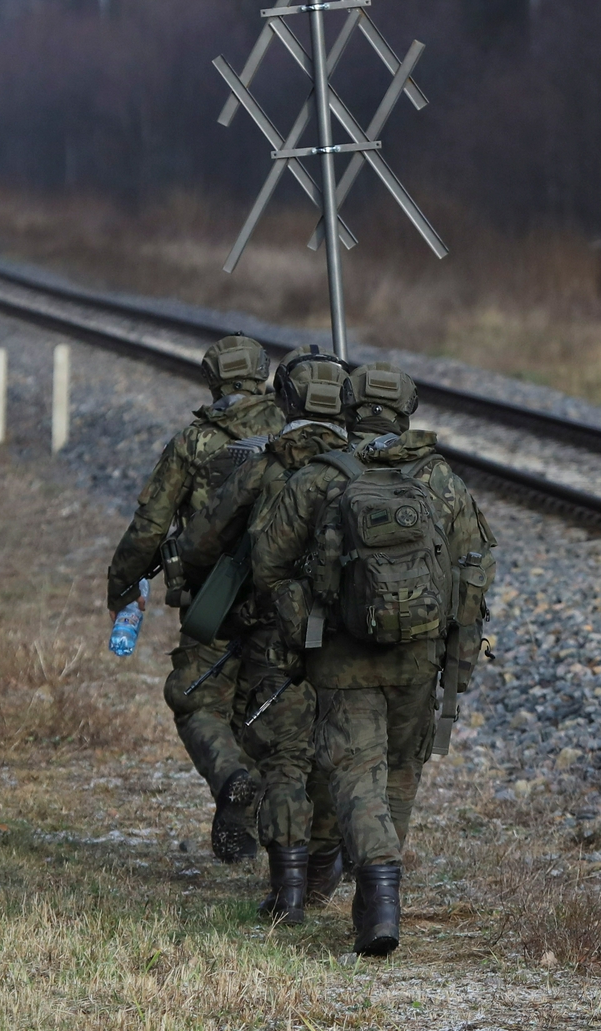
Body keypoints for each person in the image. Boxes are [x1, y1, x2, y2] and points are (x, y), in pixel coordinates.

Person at [250, 362, 496, 955]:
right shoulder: (439, 479)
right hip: (419, 655)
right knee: (400, 770)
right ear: (408, 407)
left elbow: (268, 563)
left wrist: (305, 618)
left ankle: (381, 899)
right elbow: (474, 568)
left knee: (355, 772)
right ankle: (378, 898)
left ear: (349, 405)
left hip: (341, 656)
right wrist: (452, 645)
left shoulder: (319, 477)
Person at [173, 348, 352, 923]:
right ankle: (333, 869)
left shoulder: (265, 464)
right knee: (338, 752)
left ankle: (289, 893)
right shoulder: (363, 465)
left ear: (287, 400)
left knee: (284, 756)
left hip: (278, 631)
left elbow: (204, 539)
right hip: (350, 635)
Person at [105, 332, 286, 863]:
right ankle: (290, 842)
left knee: (196, 698)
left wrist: (122, 589)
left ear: (213, 381)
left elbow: (149, 527)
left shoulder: (194, 443)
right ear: (262, 376)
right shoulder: (295, 435)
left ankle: (232, 780)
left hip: (215, 603)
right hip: (287, 605)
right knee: (275, 709)